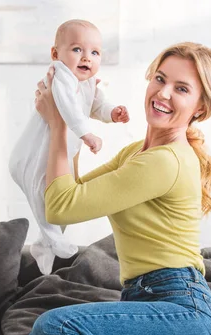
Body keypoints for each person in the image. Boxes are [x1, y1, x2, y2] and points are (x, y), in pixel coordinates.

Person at [21, 42, 211, 335]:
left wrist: (58, 124)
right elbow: (70, 189)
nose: (163, 93)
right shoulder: (138, 153)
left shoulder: (164, 162)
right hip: (145, 301)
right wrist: (70, 119)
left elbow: (60, 207)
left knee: (55, 326)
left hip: (183, 314)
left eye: (181, 89)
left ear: (201, 108)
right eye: (160, 79)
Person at [9, 19, 130, 275]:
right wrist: (86, 134)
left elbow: (97, 106)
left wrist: (112, 113)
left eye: (94, 52)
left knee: (62, 199)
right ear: (56, 54)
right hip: (32, 154)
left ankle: (47, 243)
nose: (87, 57)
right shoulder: (61, 75)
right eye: (77, 49)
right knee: (43, 195)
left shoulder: (88, 82)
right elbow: (66, 106)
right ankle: (51, 237)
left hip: (59, 153)